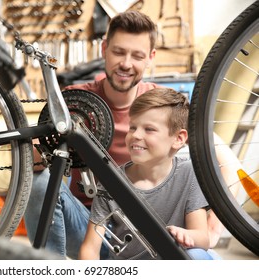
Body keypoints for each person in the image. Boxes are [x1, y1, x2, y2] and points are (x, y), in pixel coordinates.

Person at [24, 10, 233, 259]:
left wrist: (209, 233)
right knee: (37, 183)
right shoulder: (76, 101)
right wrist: (46, 146)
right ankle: (46, 268)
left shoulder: (162, 107)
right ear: (104, 49)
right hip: (92, 227)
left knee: (206, 262)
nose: (126, 64)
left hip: (153, 233)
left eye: (137, 56)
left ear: (150, 58)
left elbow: (227, 165)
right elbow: (33, 156)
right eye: (119, 52)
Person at [79, 88, 214, 260]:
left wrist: (186, 235)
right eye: (132, 127)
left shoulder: (189, 174)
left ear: (179, 139)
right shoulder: (110, 182)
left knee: (199, 256)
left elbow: (203, 239)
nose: (136, 135)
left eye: (149, 129)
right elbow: (90, 248)